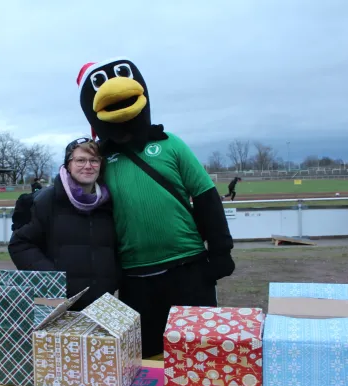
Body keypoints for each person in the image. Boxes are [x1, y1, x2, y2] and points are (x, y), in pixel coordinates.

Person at [76, 58, 234, 357]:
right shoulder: (100, 160)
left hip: (189, 267)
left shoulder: (171, 144)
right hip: (136, 277)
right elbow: (79, 196)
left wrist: (221, 250)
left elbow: (205, 196)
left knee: (199, 351)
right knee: (144, 356)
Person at [8, 137, 120, 311]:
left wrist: (114, 278)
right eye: (80, 160)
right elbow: (20, 244)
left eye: (94, 160)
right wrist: (53, 278)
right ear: (68, 164)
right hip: (59, 305)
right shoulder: (46, 200)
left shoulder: (110, 203)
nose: (88, 166)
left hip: (102, 305)